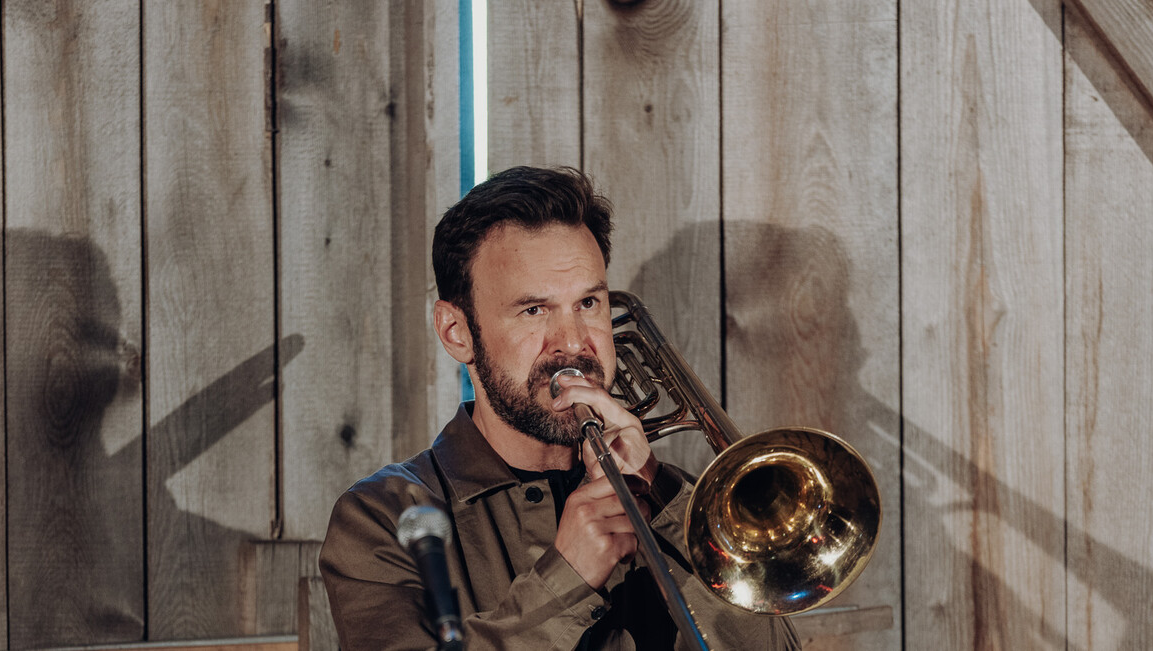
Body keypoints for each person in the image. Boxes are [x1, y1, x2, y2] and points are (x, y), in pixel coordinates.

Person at [318, 166, 799, 650]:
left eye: (588, 303)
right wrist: (565, 578)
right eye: (534, 310)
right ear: (456, 332)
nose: (572, 342)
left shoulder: (681, 502)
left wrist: (666, 507)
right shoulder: (383, 516)